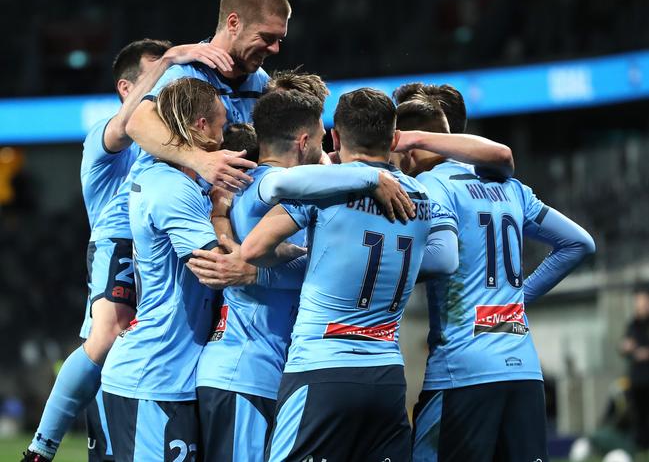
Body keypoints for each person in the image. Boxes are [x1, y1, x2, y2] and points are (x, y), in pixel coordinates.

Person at [189, 89, 419, 462]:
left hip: (271, 371)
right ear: (304, 141)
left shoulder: (260, 189)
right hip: (248, 372)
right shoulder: (266, 190)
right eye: (321, 135)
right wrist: (369, 177)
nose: (328, 146)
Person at [23, 38, 223, 462]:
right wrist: (171, 59)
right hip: (120, 244)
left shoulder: (171, 143)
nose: (164, 90)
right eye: (157, 80)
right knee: (110, 333)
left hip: (159, 244)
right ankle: (41, 446)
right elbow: (127, 128)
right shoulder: (110, 133)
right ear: (127, 89)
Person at [240, 88, 453, 461]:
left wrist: (301, 254)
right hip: (386, 375)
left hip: (322, 370)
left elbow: (254, 250)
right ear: (392, 139)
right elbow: (439, 260)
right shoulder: (422, 198)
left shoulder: (327, 189)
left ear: (335, 138)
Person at [398, 87, 597, 462]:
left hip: (462, 371)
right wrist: (518, 298)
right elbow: (579, 244)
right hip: (523, 370)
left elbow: (443, 258)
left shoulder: (430, 186)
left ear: (408, 146)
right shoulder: (510, 188)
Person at [100, 78, 225, 462]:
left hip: (168, 373)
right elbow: (214, 267)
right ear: (200, 126)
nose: (224, 135)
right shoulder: (172, 188)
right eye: (220, 124)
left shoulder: (161, 173)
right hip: (153, 375)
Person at [125, 0, 292, 189]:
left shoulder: (261, 82)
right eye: (267, 37)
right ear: (233, 23)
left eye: (280, 39)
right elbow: (137, 124)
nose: (275, 49)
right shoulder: (187, 74)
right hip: (156, 207)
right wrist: (200, 160)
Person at [620, 285, 649, 456]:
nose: (639, 305)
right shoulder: (633, 324)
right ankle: (640, 448)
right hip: (637, 379)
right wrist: (625, 347)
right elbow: (624, 346)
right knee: (638, 416)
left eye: (642, 301)